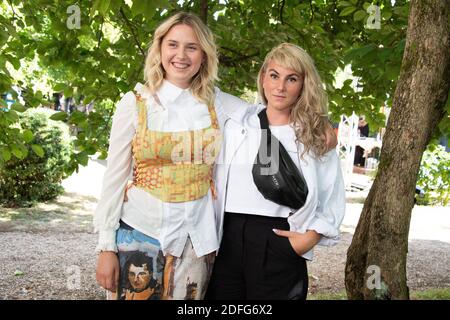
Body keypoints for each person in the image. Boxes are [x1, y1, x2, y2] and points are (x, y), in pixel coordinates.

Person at [94, 12, 249, 300]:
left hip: (195, 240)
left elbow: (268, 117)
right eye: (173, 45)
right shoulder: (135, 104)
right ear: (160, 49)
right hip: (140, 232)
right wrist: (106, 248)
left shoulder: (219, 104)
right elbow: (113, 180)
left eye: (192, 47)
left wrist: (315, 125)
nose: (181, 55)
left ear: (203, 55)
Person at [206, 43, 346, 300]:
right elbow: (201, 85)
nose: (280, 87)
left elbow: (331, 194)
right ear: (263, 78)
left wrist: (308, 239)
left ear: (304, 85)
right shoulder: (239, 120)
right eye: (274, 75)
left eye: (291, 79)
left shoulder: (314, 136)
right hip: (229, 239)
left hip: (279, 240)